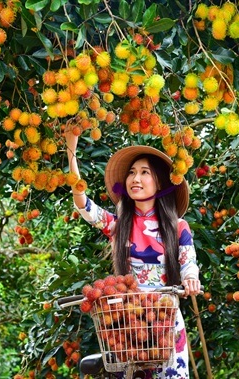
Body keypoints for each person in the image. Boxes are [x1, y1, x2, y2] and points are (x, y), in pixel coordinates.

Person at [65, 131, 202, 379]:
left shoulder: (178, 227)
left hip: (164, 320)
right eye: (131, 172)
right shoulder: (119, 226)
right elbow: (83, 205)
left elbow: (188, 262)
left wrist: (191, 279)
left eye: (144, 172)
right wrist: (71, 152)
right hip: (129, 324)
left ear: (160, 182)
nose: (135, 178)